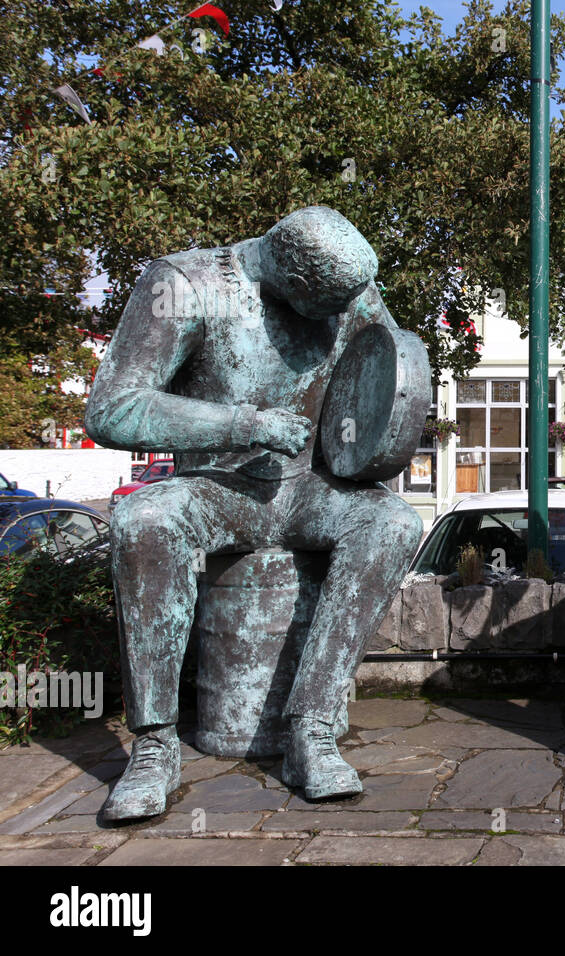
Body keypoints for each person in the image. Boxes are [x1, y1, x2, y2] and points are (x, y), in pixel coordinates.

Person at [85, 206, 424, 820]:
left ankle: (312, 728)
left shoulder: (349, 290)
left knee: (393, 523)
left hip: (306, 491)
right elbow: (113, 408)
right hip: (217, 486)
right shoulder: (183, 285)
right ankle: (155, 744)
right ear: (287, 272)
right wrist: (241, 425)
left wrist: (377, 443)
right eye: (323, 305)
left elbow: (386, 378)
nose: (341, 315)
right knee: (144, 521)